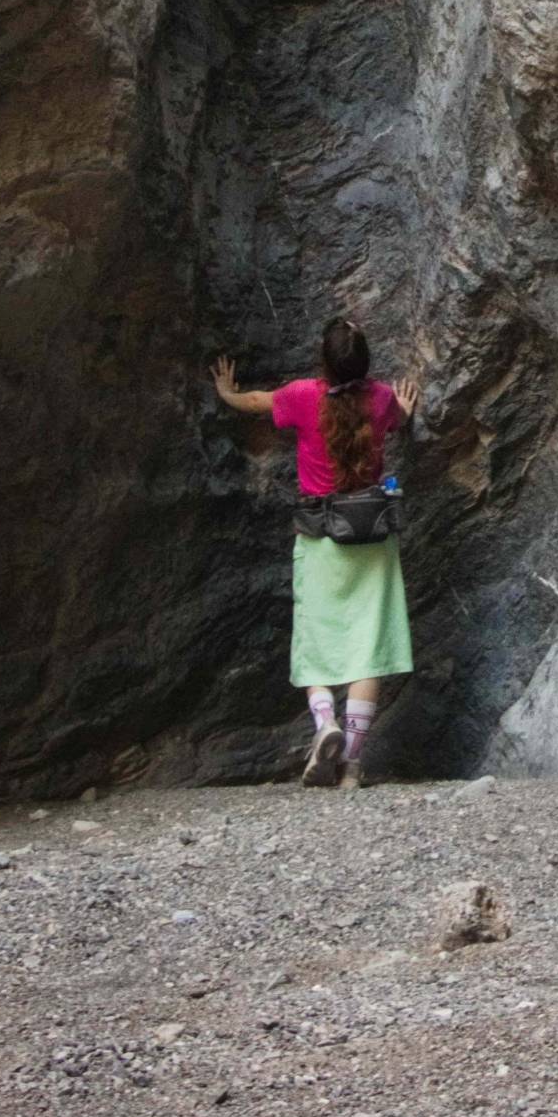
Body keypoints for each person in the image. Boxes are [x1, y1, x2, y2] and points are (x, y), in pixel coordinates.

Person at [211, 316, 419, 788]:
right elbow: (396, 418)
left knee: (316, 640)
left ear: (323, 363)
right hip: (372, 534)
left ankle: (325, 723)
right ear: (365, 364)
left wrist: (226, 393)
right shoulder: (382, 398)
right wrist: (405, 409)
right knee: (369, 646)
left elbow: (257, 401)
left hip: (320, 533)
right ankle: (350, 760)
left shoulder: (304, 396)